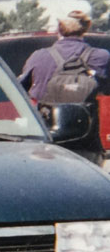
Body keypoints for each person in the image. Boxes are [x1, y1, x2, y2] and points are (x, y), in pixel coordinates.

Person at [18, 9, 109, 162]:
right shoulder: (101, 57)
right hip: (86, 143)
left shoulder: (39, 56)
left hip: (48, 142)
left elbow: (19, 90)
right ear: (85, 29)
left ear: (58, 29)